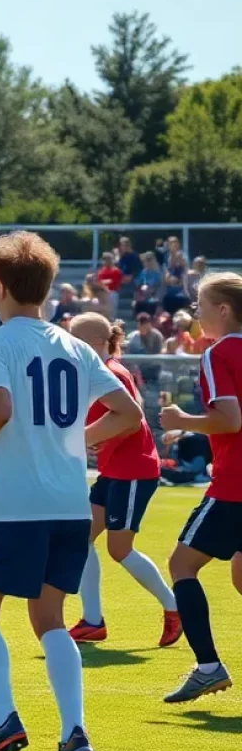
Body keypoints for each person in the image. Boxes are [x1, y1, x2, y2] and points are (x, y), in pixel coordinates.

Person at [0, 231, 142, 751]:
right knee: (49, 619)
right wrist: (75, 442)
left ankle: (2, 720)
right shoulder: (77, 346)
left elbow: (1, 408)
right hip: (69, 506)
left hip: (13, 505)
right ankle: (73, 733)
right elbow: (130, 414)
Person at [68, 314, 180, 647]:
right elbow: (133, 410)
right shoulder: (105, 369)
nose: (70, 348)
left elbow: (131, 420)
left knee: (119, 550)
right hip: (115, 470)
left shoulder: (110, 371)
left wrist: (82, 440)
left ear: (100, 343)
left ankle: (175, 608)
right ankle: (92, 621)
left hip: (133, 471)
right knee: (81, 538)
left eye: (77, 342)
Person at [158, 273, 242, 703]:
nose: (196, 314)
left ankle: (208, 667)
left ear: (223, 310)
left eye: (201, 306)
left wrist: (182, 421)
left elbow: (230, 419)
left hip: (234, 488)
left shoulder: (218, 352)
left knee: (181, 565)